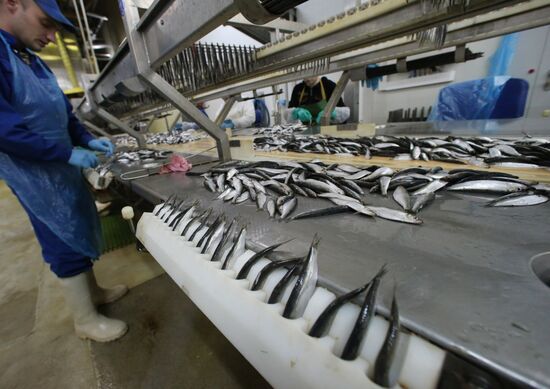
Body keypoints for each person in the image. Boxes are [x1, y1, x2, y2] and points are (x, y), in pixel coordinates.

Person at [0, 0, 128, 342]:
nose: (52, 37)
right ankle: (84, 320)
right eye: (46, 23)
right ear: (12, 4)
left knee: (78, 225)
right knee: (59, 236)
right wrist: (67, 153)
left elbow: (64, 115)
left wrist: (88, 139)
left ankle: (93, 293)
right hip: (34, 174)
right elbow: (4, 130)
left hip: (59, 164)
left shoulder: (33, 61)